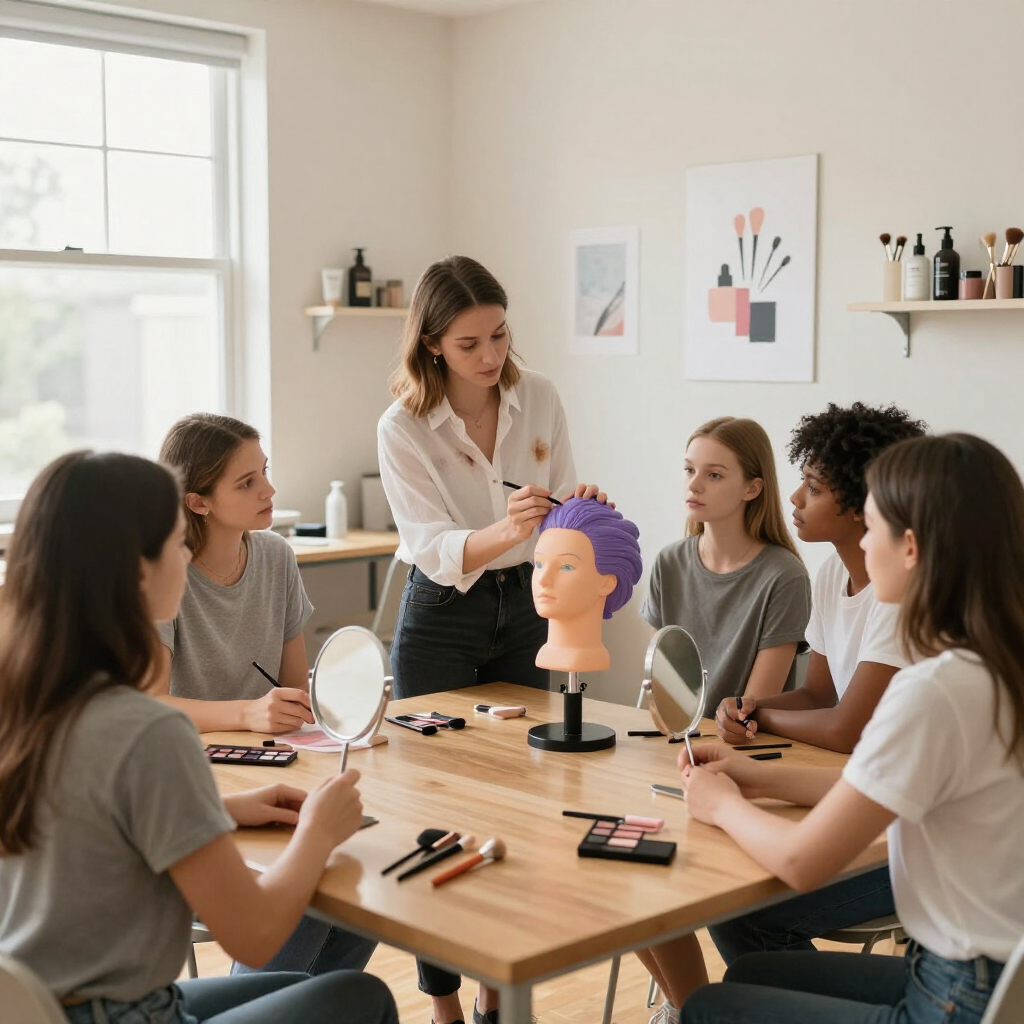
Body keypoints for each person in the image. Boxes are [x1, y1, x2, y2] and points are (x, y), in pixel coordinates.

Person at [0, 451, 397, 1024]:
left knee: (294, 985)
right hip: (122, 1014)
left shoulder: (29, 700)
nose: (187, 555)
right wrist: (317, 832)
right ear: (137, 571)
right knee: (361, 997)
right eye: (176, 542)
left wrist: (218, 809)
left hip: (38, 1005)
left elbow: (85, 825)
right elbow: (253, 936)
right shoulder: (146, 730)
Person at [680, 432, 1024, 1024]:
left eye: (872, 528)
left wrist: (722, 806)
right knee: (754, 972)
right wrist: (752, 776)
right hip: (984, 979)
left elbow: (801, 863)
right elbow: (878, 786)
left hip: (956, 1000)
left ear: (910, 547)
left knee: (712, 1006)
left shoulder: (936, 690)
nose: (863, 543)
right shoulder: (995, 664)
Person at [377, 255, 609, 1024]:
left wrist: (579, 510)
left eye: (500, 336)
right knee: (436, 808)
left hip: (529, 603)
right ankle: (443, 1004)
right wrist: (506, 530)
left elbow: (560, 506)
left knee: (519, 798)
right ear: (432, 343)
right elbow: (429, 545)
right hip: (443, 612)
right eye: (469, 344)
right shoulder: (402, 427)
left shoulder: (537, 395)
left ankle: (495, 995)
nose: (490, 356)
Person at [155, 413, 376, 979]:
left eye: (266, 472)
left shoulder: (276, 556)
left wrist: (315, 704)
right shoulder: (162, 576)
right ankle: (273, 1002)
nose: (269, 491)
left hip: (274, 768)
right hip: (198, 779)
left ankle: (295, 1003)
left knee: (361, 867)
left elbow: (296, 689)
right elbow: (150, 707)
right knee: (320, 873)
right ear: (198, 502)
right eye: (247, 482)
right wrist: (247, 712)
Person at [641, 416, 811, 713]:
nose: (694, 485)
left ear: (752, 489)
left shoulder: (785, 577)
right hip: (675, 735)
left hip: (744, 737)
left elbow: (751, 709)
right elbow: (661, 692)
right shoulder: (668, 563)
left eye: (714, 475)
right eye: (689, 470)